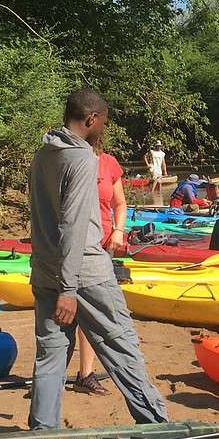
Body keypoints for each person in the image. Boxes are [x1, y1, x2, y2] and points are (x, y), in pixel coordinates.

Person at [27, 88, 169, 428]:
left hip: (45, 270)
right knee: (122, 347)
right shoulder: (81, 159)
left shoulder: (44, 154)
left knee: (50, 356)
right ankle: (157, 425)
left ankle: (41, 433)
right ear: (91, 119)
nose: (103, 129)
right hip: (84, 273)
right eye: (103, 122)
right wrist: (69, 289)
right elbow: (74, 226)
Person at [72, 139, 131, 396]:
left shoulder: (108, 163)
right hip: (71, 246)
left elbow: (120, 204)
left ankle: (85, 374)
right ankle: (48, 379)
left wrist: (118, 231)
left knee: (92, 312)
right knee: (61, 312)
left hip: (102, 247)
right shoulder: (69, 160)